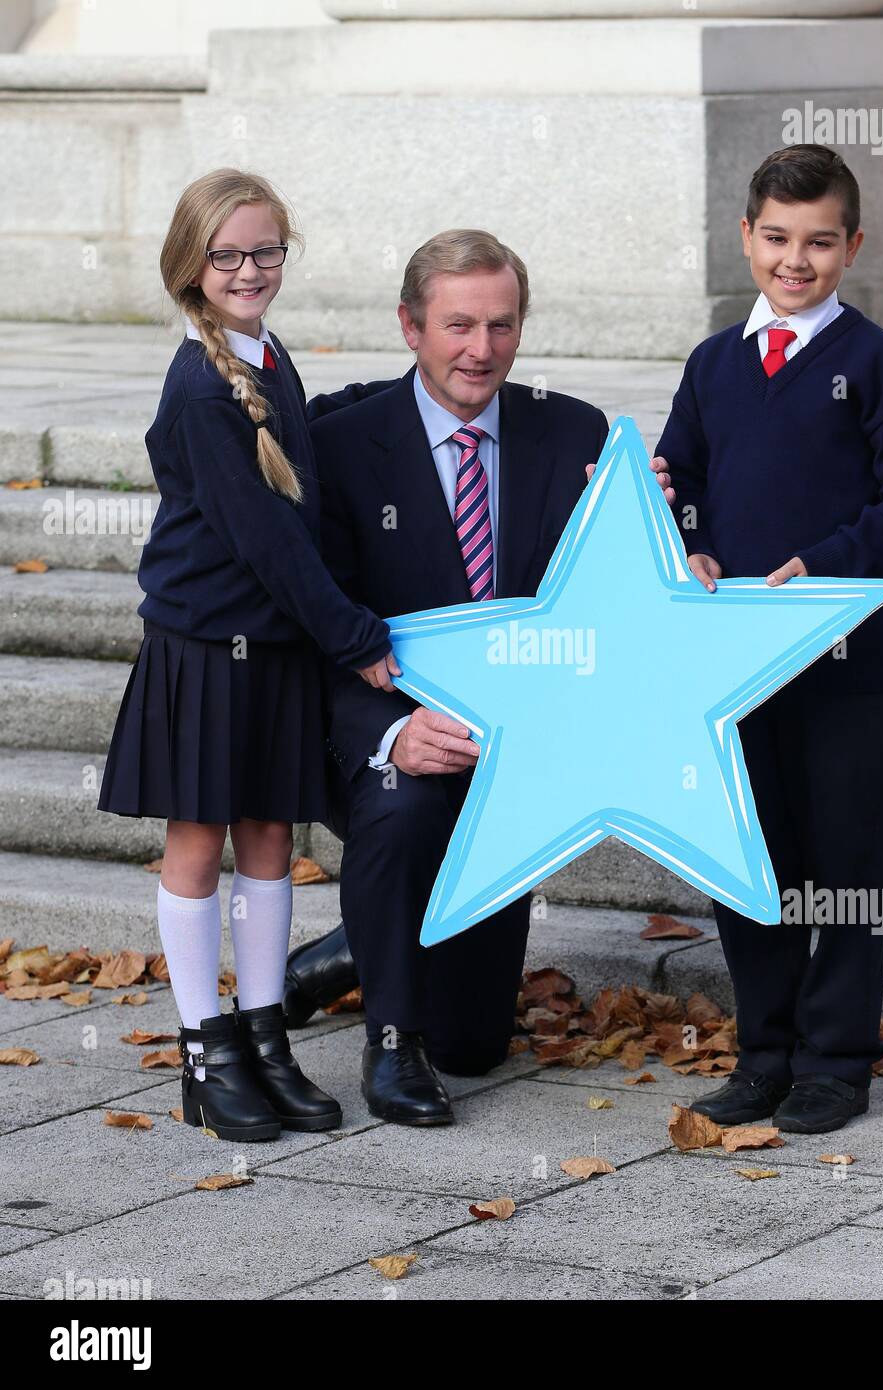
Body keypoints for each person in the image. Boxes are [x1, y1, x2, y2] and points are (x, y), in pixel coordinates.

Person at [290, 228, 675, 1126]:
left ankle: (348, 949)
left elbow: (609, 614)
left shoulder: (573, 430)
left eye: (502, 326)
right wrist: (388, 730)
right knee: (401, 796)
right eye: (457, 326)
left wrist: (638, 535)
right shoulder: (341, 448)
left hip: (521, 743)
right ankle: (388, 1047)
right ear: (409, 326)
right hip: (400, 723)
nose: (481, 350)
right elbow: (312, 620)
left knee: (473, 1043)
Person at [655, 144, 883, 1135]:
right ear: (746, 237)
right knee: (749, 857)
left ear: (852, 246)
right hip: (732, 665)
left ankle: (835, 1058)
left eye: (819, 242)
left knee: (841, 862)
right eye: (777, 238)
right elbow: (680, 481)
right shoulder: (713, 364)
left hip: (842, 664)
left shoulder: (876, 365)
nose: (796, 260)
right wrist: (689, 545)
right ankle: (765, 1050)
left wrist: (828, 563)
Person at [97, 168, 400, 1143]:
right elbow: (269, 543)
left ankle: (266, 1037)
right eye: (227, 254)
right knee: (199, 844)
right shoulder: (198, 388)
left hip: (270, 650)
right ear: (193, 264)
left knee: (272, 842)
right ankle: (205, 1051)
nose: (248, 268)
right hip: (203, 646)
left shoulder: (268, 358)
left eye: (265, 250)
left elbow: (303, 455)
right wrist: (356, 639)